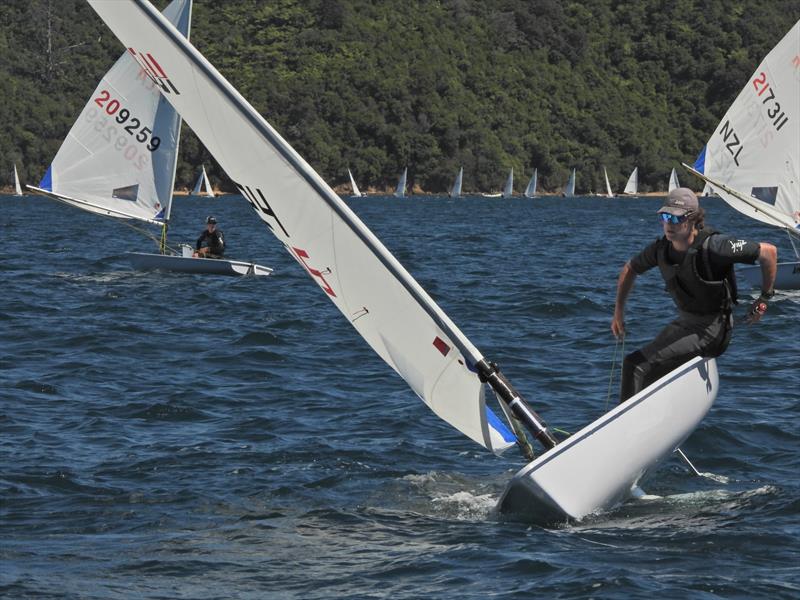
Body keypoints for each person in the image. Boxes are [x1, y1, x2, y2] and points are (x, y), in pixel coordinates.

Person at [611, 187, 778, 403]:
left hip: (713, 331)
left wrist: (764, 299)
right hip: (686, 324)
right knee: (642, 366)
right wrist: (618, 313)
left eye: (675, 218)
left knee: (636, 365)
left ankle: (627, 429)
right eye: (664, 217)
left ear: (692, 219)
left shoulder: (717, 247)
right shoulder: (660, 250)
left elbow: (769, 252)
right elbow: (630, 268)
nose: (669, 224)